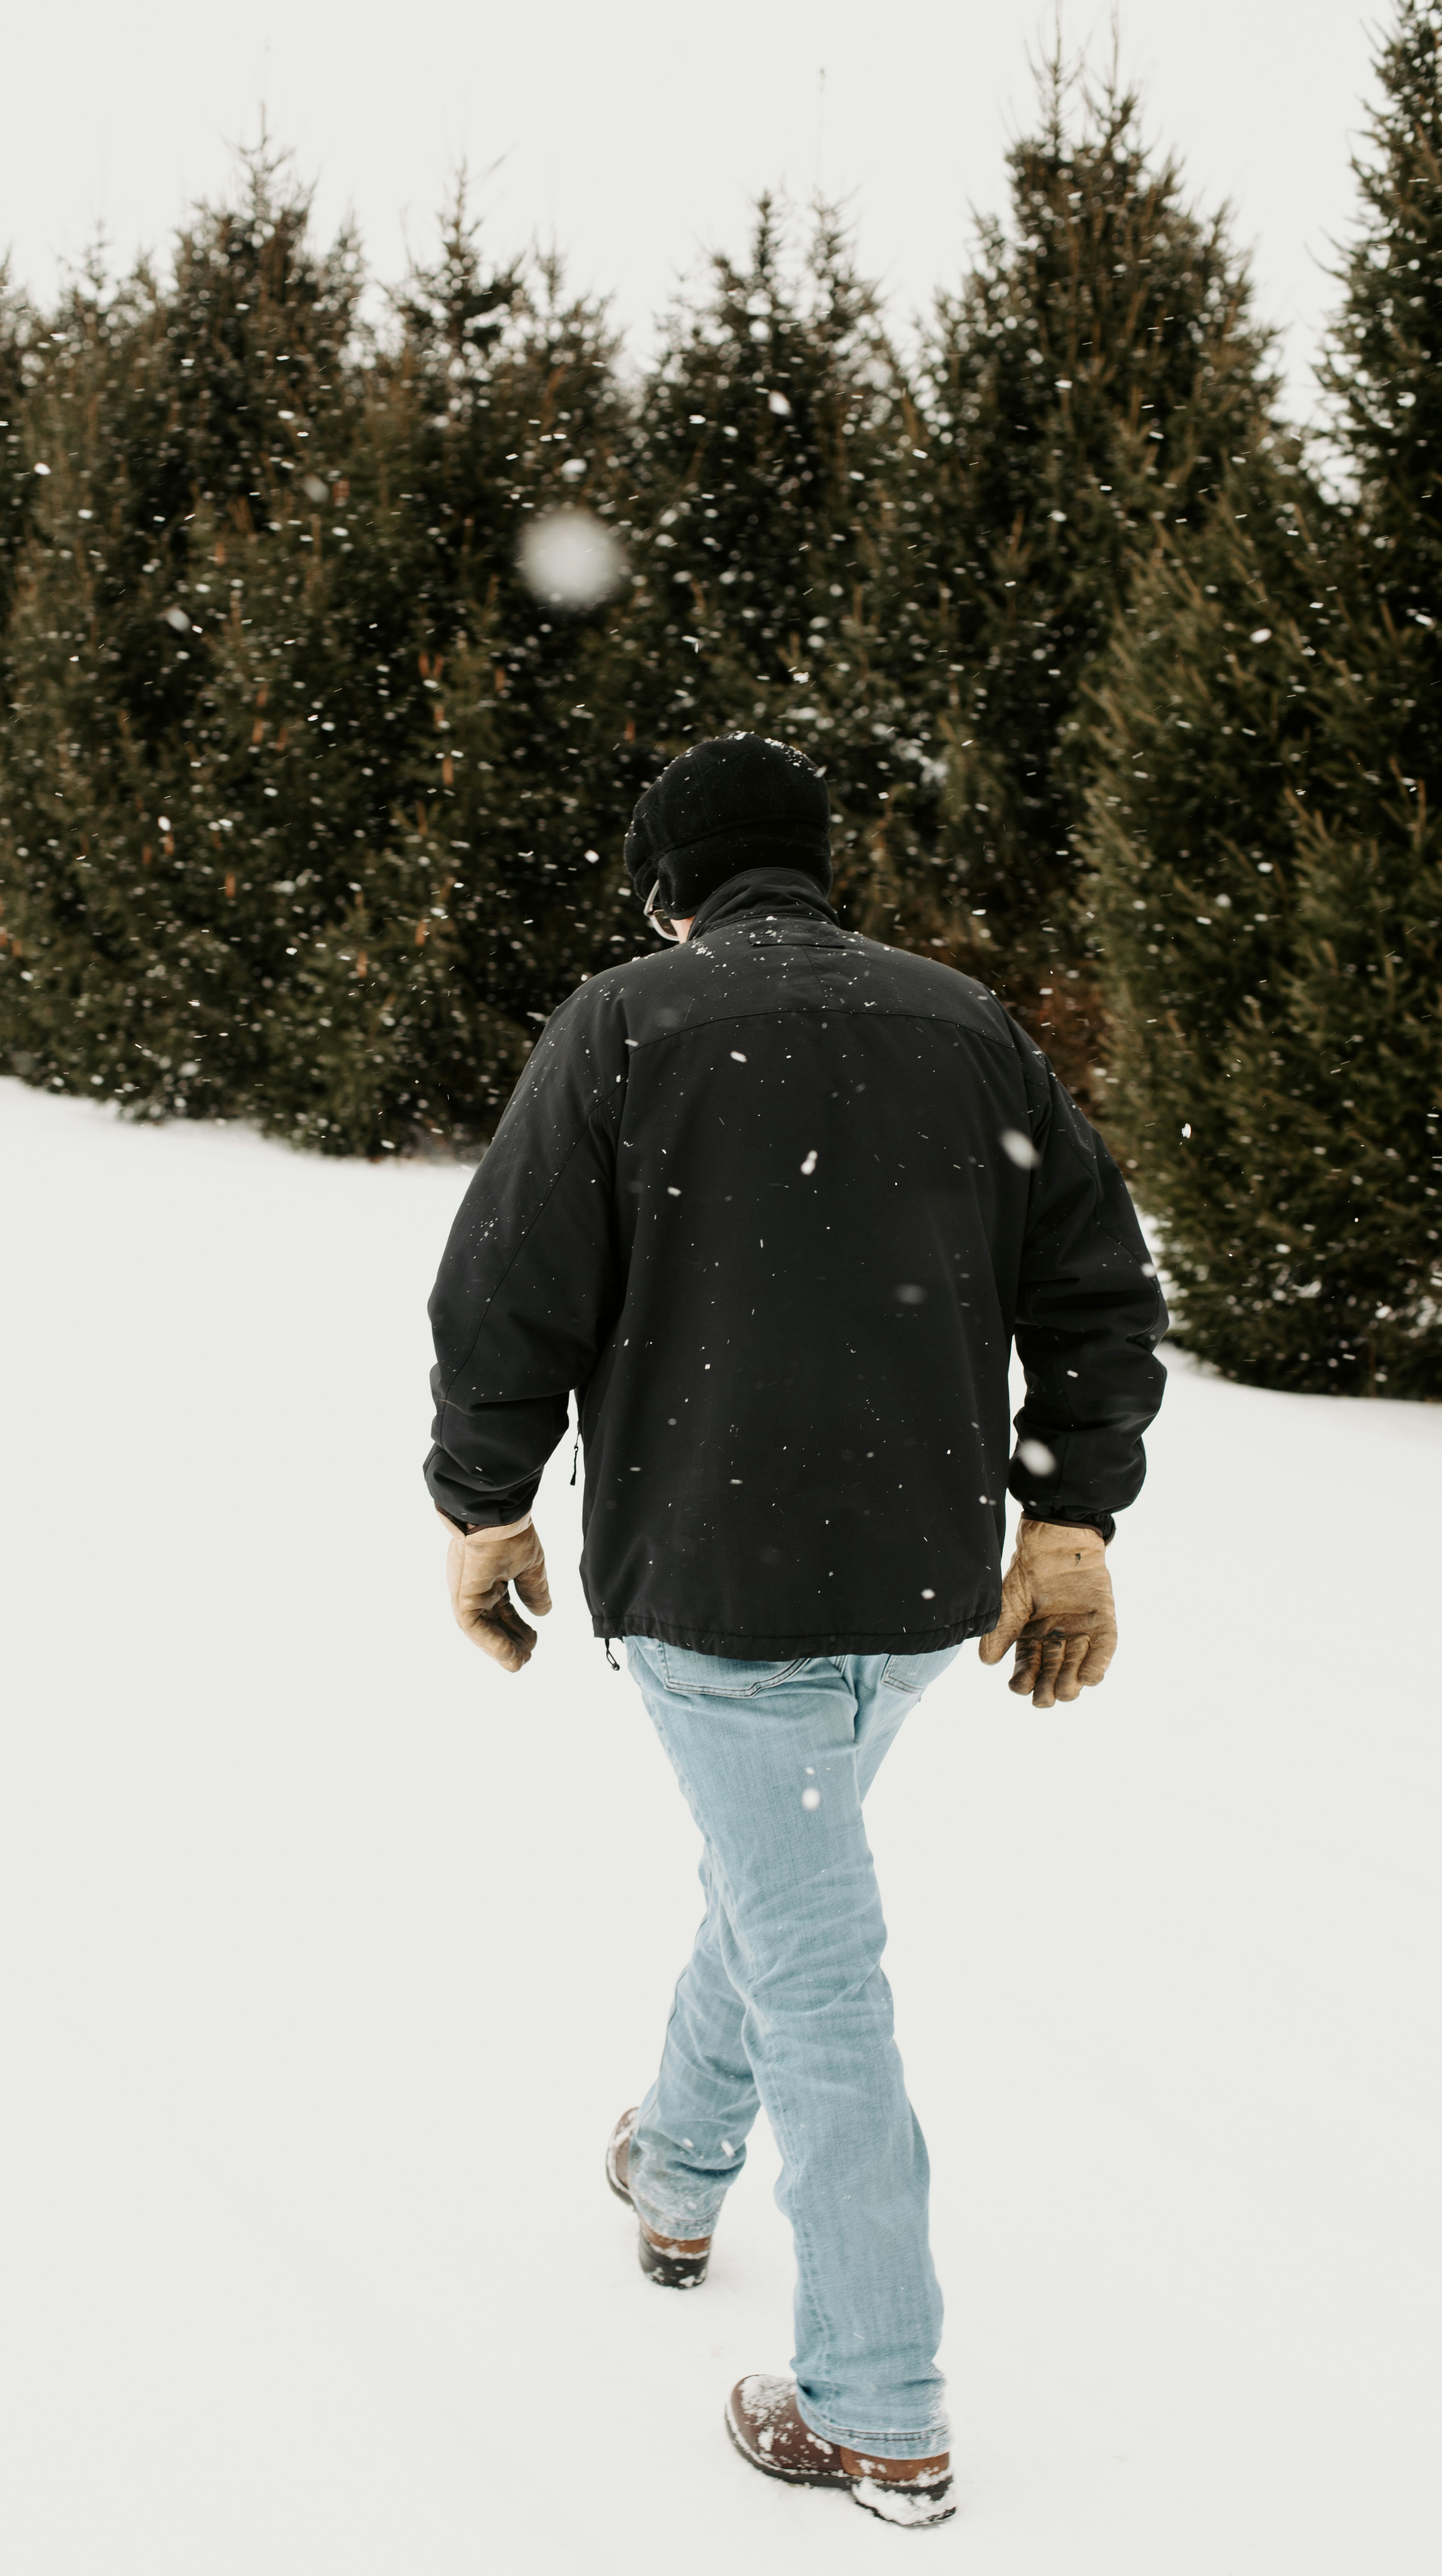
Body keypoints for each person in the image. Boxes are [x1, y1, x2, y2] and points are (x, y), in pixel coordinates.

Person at [424, 733, 1166, 2528]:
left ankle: (877, 2405)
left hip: (713, 1586)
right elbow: (1095, 1283)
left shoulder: (623, 1020)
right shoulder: (962, 1023)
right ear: (817, 869)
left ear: (667, 887)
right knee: (781, 1881)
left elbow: (504, 1290)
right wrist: (1062, 1513)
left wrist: (484, 1507)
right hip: (915, 1587)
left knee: (815, 1955)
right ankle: (675, 2174)